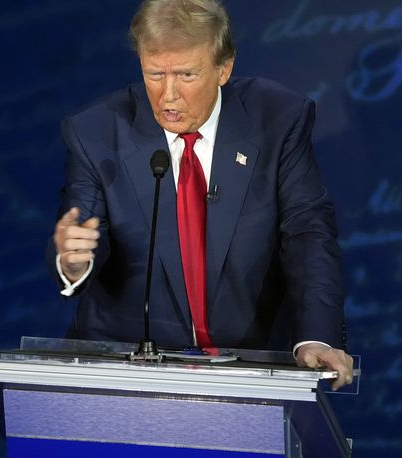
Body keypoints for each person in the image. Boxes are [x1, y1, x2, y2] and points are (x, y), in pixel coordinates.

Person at [49, 0, 353, 390]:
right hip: (126, 368)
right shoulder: (95, 132)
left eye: (186, 75)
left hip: (248, 363)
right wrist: (73, 264)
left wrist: (316, 336)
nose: (168, 96)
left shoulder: (278, 119)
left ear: (224, 68)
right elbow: (83, 232)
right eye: (154, 74)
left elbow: (308, 234)